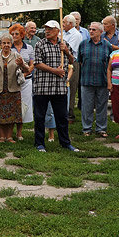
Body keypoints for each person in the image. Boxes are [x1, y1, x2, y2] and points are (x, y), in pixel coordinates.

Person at [33, 21, 78, 152]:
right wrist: (55, 71)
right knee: (40, 117)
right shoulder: (40, 44)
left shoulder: (64, 44)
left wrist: (67, 52)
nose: (47, 31)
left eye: (50, 29)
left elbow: (72, 60)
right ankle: (39, 143)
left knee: (62, 117)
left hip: (59, 87)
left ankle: (65, 142)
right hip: (43, 87)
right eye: (46, 29)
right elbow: (37, 63)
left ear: (58, 31)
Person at [0, 34, 27, 143]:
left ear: (11, 44)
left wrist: (22, 64)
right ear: (0, 44)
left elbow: (27, 69)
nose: (6, 45)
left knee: (12, 114)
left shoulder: (16, 56)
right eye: (4, 43)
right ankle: (1, 136)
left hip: (13, 89)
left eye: (8, 43)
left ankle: (9, 136)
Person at [78, 22, 112, 137]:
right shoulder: (83, 44)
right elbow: (81, 61)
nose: (91, 31)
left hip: (102, 81)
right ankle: (86, 129)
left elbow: (110, 65)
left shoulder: (107, 46)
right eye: (90, 29)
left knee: (102, 106)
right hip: (86, 80)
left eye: (94, 30)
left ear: (101, 32)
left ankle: (101, 129)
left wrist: (109, 81)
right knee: (86, 106)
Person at [10, 24, 35, 141]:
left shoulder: (29, 48)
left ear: (22, 35)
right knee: (12, 105)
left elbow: (32, 64)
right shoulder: (8, 47)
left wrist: (24, 74)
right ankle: (9, 131)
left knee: (23, 106)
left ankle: (19, 133)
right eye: (12, 34)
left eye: (16, 34)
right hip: (12, 81)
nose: (14, 36)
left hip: (26, 81)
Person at [62, 14, 83, 122]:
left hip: (72, 63)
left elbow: (70, 50)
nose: (62, 25)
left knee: (71, 87)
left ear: (70, 24)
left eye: (64, 23)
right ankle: (62, 112)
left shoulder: (76, 35)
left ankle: (70, 114)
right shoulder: (64, 33)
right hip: (63, 62)